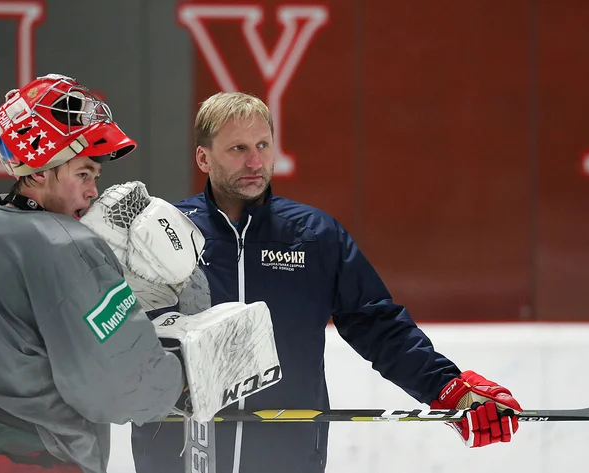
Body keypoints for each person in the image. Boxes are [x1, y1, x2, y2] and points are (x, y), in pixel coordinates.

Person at [129, 91, 523, 473]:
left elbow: (377, 324)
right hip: (178, 453)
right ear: (204, 157)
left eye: (263, 145)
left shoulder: (315, 236)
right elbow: (123, 335)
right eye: (237, 149)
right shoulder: (165, 236)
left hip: (286, 456)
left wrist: (447, 388)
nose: (255, 161)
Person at [0, 74, 187, 473]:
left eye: (95, 177)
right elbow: (118, 386)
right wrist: (183, 378)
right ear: (37, 172)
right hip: (20, 461)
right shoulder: (66, 245)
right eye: (83, 174)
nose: (93, 192)